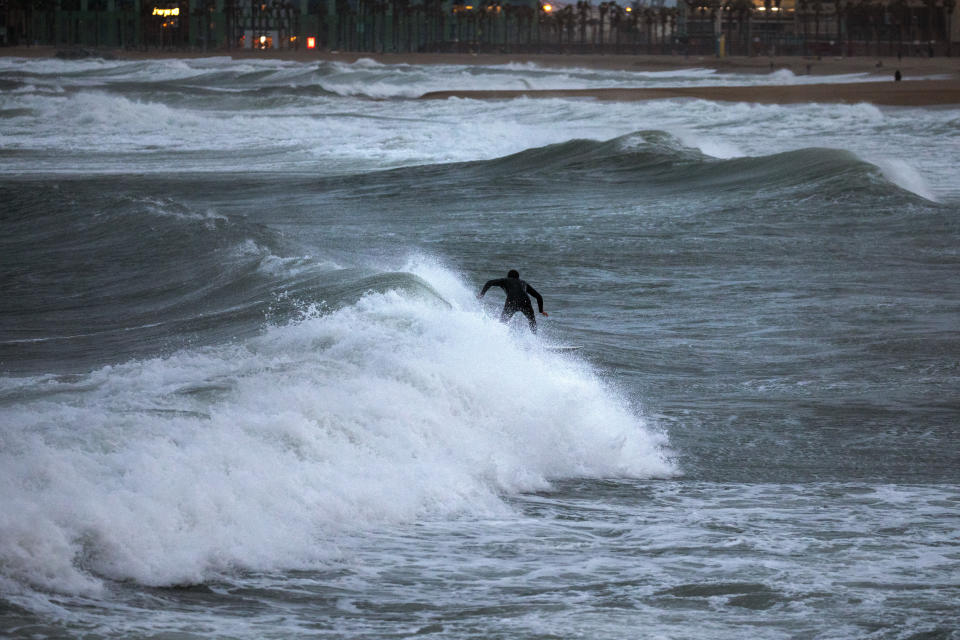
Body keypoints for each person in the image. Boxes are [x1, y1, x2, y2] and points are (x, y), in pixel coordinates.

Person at [478, 269, 548, 333]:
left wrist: (482, 294)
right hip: (525, 301)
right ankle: (535, 337)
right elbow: (538, 296)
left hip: (512, 301)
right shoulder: (524, 283)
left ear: (508, 277)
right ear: (518, 278)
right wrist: (541, 311)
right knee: (531, 320)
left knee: (503, 322)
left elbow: (489, 282)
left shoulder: (505, 280)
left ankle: (499, 337)